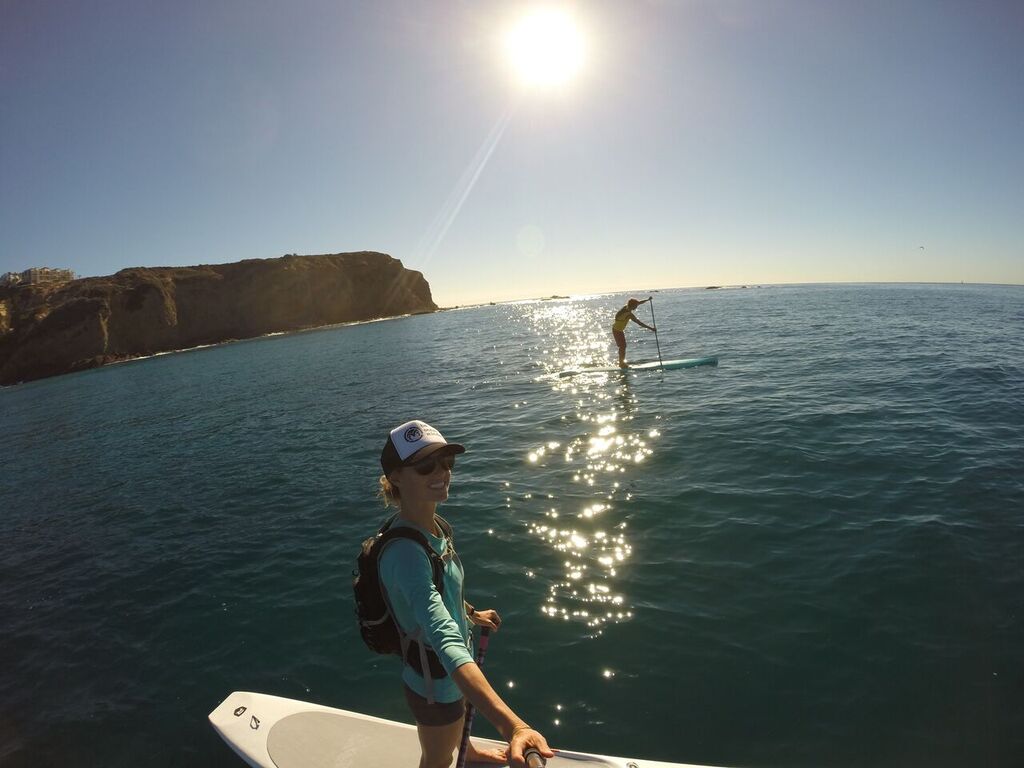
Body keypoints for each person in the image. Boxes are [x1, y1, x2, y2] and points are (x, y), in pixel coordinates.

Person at [376, 419, 554, 768]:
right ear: (396, 476)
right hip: (436, 682)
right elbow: (444, 639)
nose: (442, 472)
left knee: (458, 721)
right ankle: (454, 751)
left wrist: (470, 614)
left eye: (447, 462)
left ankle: (467, 751)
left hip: (452, 670)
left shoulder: (434, 527)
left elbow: (443, 588)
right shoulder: (405, 554)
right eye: (426, 466)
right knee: (437, 760)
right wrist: (514, 727)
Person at [612, 297, 656, 368]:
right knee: (622, 346)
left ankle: (621, 363)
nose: (637, 307)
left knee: (623, 346)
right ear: (632, 306)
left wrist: (647, 300)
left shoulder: (626, 307)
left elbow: (639, 302)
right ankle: (621, 363)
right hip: (617, 331)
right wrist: (651, 328)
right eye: (636, 306)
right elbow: (639, 323)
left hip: (619, 330)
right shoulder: (629, 314)